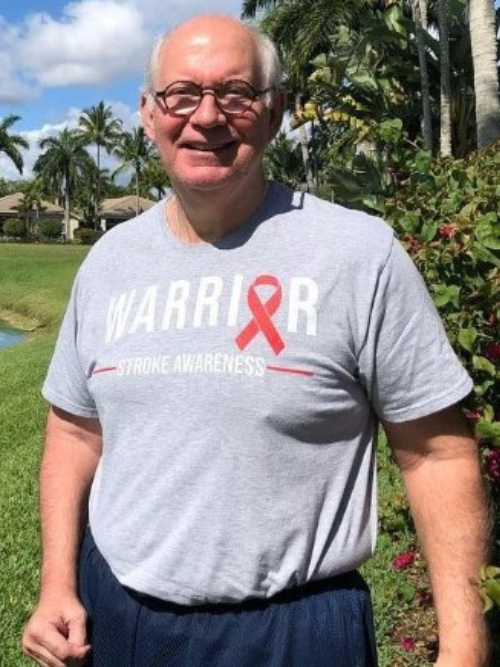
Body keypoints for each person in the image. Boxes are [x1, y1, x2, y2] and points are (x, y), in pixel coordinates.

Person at [22, 13, 490, 667]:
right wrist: (55, 584)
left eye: (235, 93)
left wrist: (464, 649)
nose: (207, 117)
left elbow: (437, 454)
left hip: (295, 633)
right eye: (182, 94)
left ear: (271, 115)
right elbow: (74, 431)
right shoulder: (108, 261)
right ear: (149, 114)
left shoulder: (357, 255)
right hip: (118, 616)